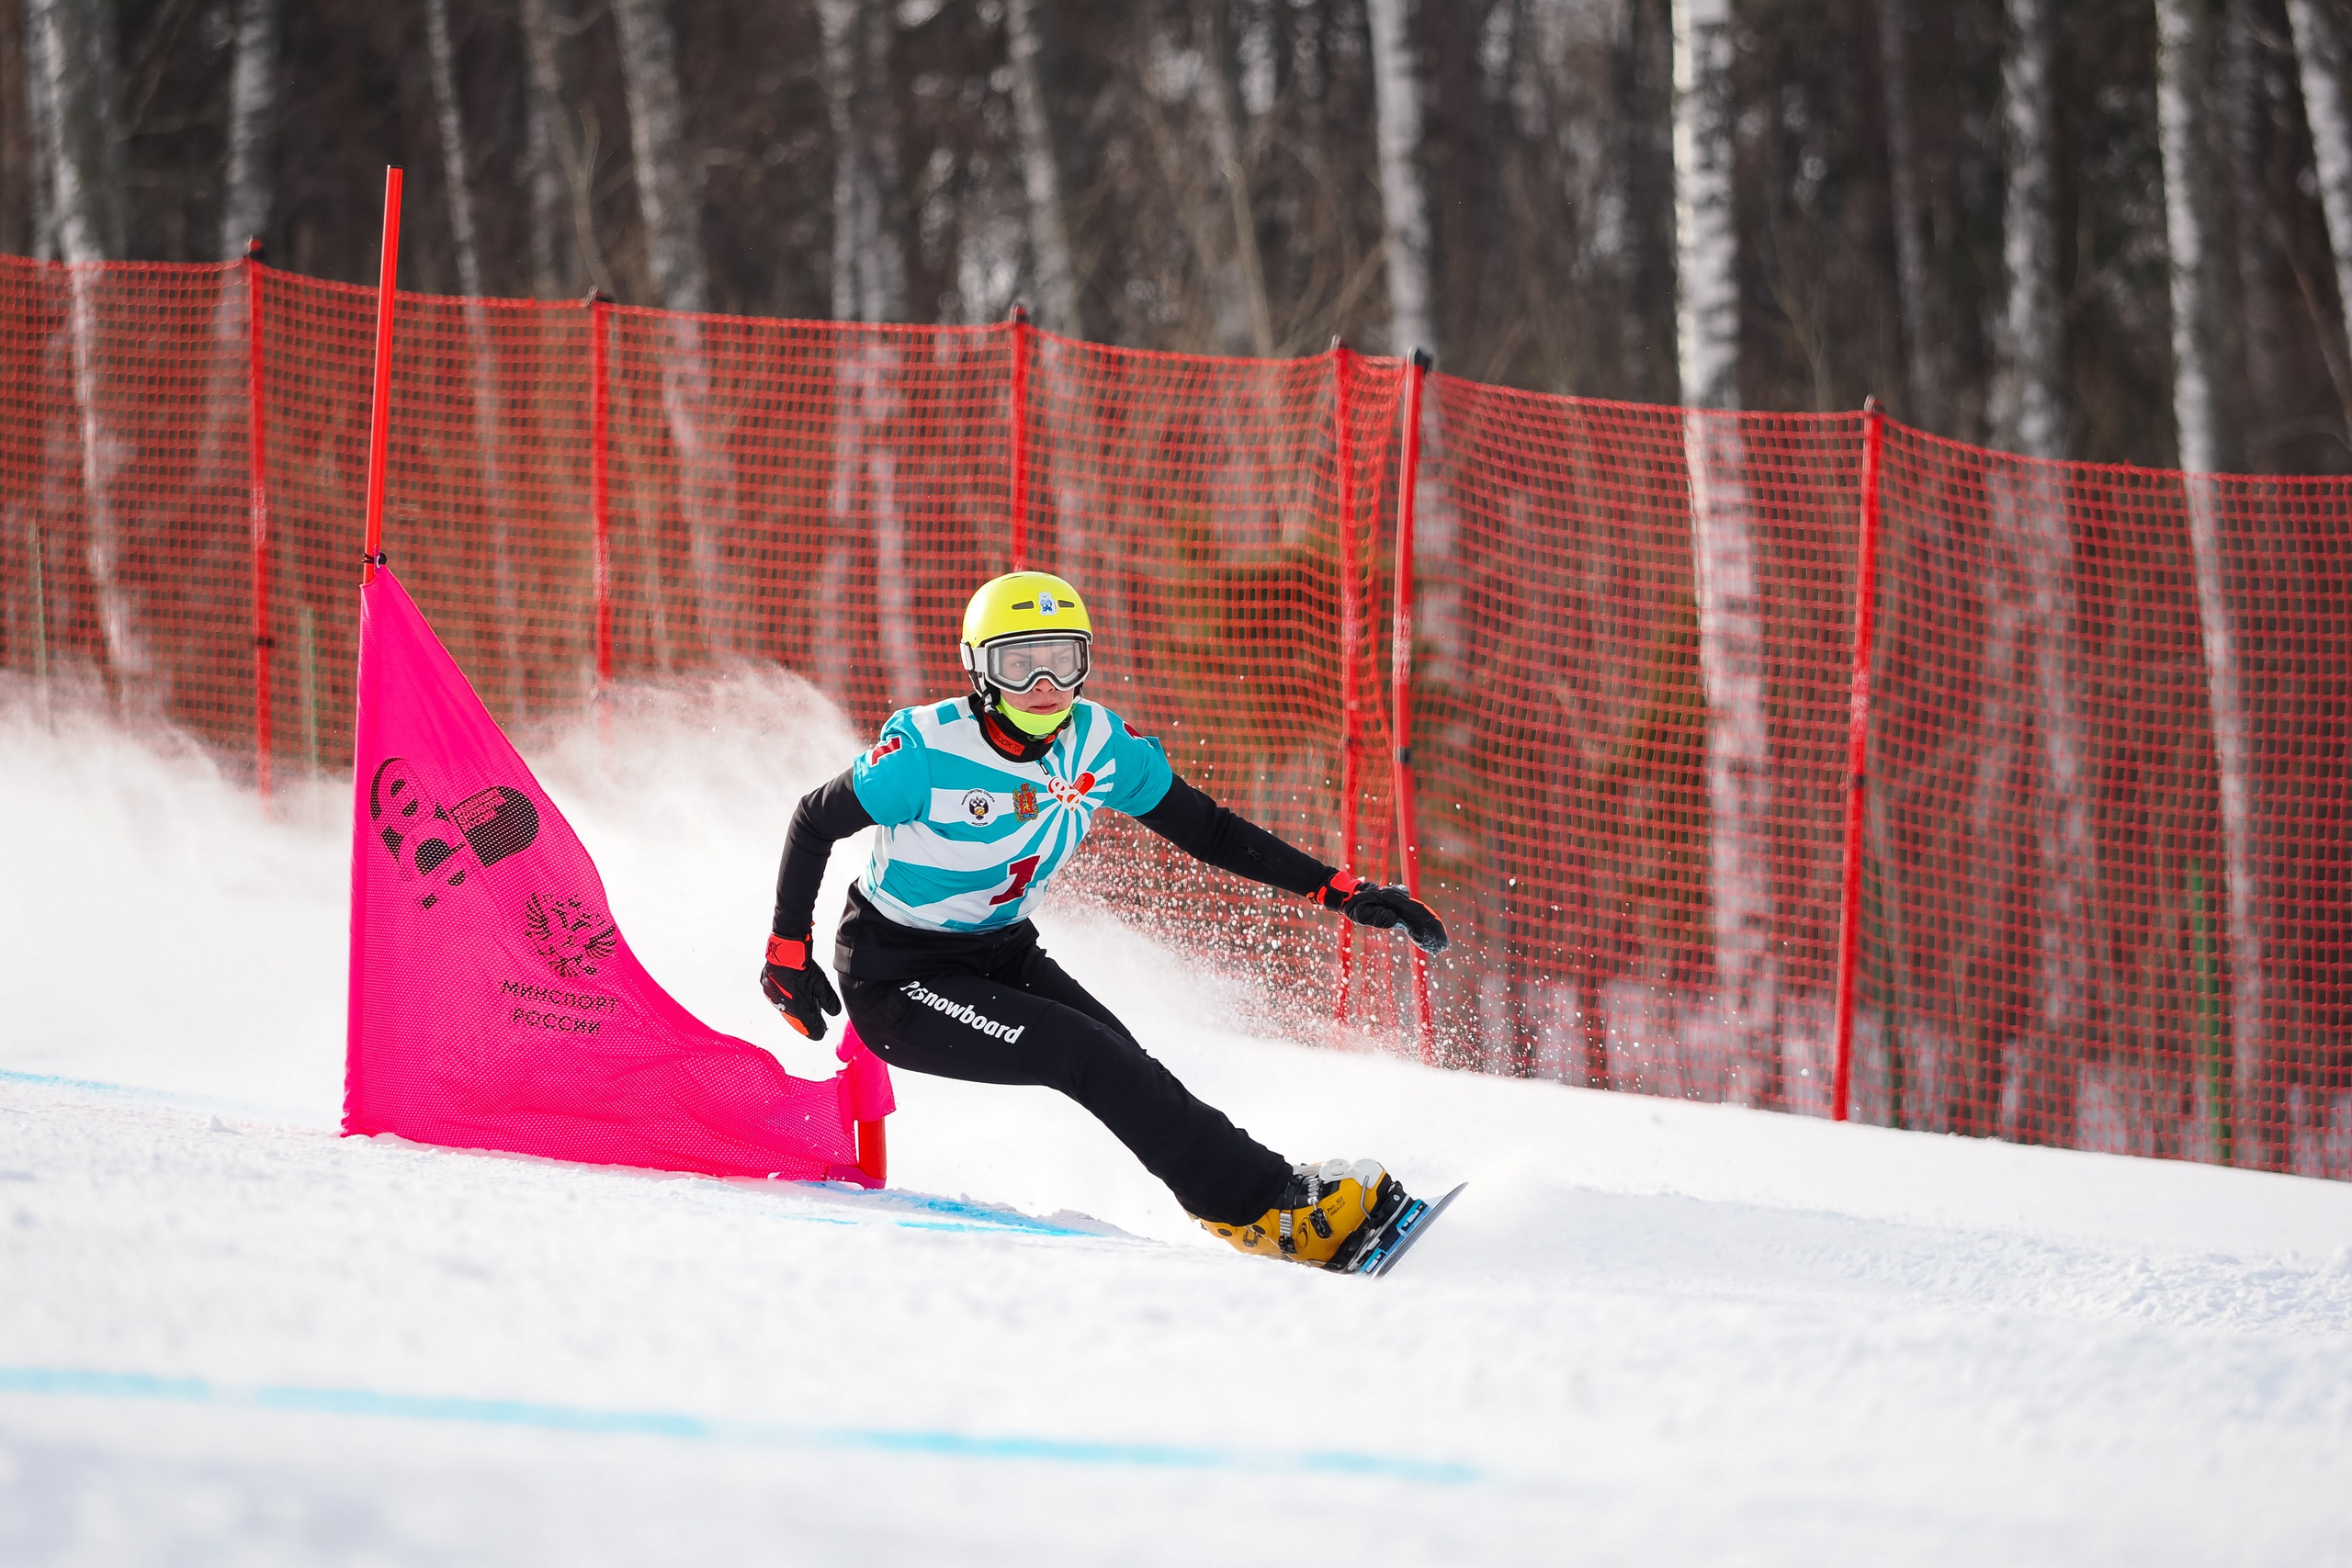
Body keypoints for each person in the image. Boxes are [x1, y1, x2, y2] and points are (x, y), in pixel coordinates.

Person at [761, 571, 1449, 1271]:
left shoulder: (1098, 744)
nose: (1045, 686)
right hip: (897, 976)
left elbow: (1209, 829)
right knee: (1085, 1054)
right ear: (979, 669)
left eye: (1063, 661)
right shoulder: (924, 753)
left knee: (1124, 1060)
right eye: (1019, 664)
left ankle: (1253, 1206)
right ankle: (1270, 1204)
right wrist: (787, 949)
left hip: (1000, 949)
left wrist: (1338, 889)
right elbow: (814, 819)